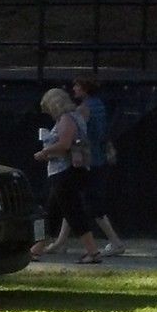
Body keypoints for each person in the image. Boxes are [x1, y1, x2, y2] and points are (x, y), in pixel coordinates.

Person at [41, 77, 129, 256]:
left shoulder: (82, 110)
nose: (73, 89)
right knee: (70, 202)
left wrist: (53, 149)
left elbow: (76, 136)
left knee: (89, 203)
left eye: (77, 86)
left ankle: (114, 241)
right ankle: (60, 242)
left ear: (84, 89)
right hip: (98, 155)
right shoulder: (99, 105)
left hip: (87, 161)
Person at [30, 87, 104, 264]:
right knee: (50, 212)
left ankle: (93, 252)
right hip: (66, 172)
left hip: (65, 172)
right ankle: (36, 249)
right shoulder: (76, 116)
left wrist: (45, 151)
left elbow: (64, 144)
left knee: (73, 212)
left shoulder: (66, 119)